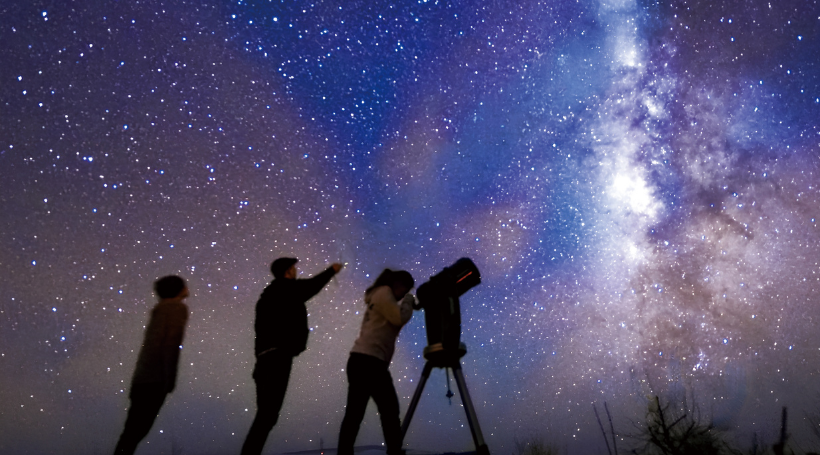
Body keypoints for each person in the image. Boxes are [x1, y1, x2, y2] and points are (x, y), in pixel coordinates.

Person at [241, 257, 343, 455]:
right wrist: (331, 270)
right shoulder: (286, 289)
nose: (296, 271)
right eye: (294, 268)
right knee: (268, 415)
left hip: (263, 360)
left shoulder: (267, 296)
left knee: (266, 415)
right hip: (277, 358)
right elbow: (311, 286)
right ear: (288, 271)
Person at [337, 269, 415, 455]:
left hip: (361, 360)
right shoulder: (384, 293)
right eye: (404, 291)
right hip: (370, 361)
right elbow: (399, 318)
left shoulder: (378, 295)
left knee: (355, 414)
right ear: (398, 284)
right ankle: (395, 451)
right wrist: (409, 302)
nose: (403, 295)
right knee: (389, 410)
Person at [113, 276, 190, 455]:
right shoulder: (176, 308)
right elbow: (170, 344)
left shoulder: (161, 309)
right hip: (155, 379)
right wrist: (169, 379)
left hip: (142, 379)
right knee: (137, 431)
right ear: (178, 290)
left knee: (131, 432)